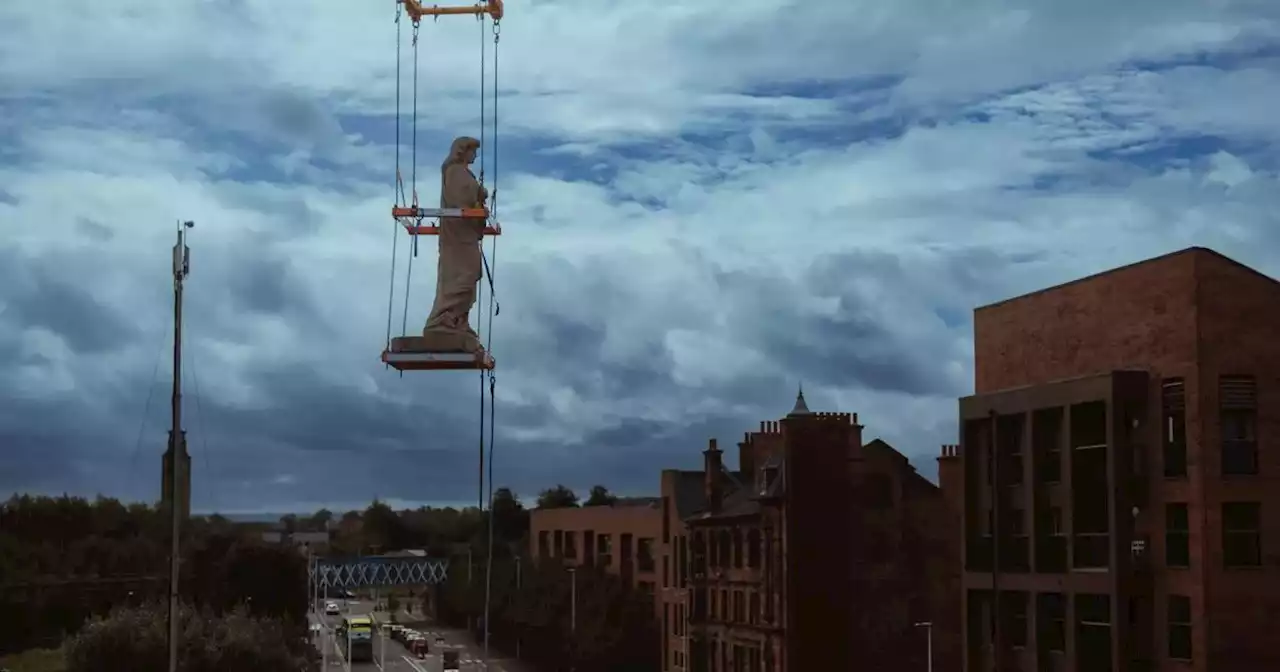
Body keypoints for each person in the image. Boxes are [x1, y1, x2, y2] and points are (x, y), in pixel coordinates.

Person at [421, 136, 488, 353]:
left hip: (466, 235)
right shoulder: (455, 172)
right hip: (458, 236)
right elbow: (460, 199)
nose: (475, 156)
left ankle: (458, 320)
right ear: (462, 151)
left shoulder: (462, 173)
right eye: (472, 151)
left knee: (470, 275)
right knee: (461, 275)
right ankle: (443, 319)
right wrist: (479, 194)